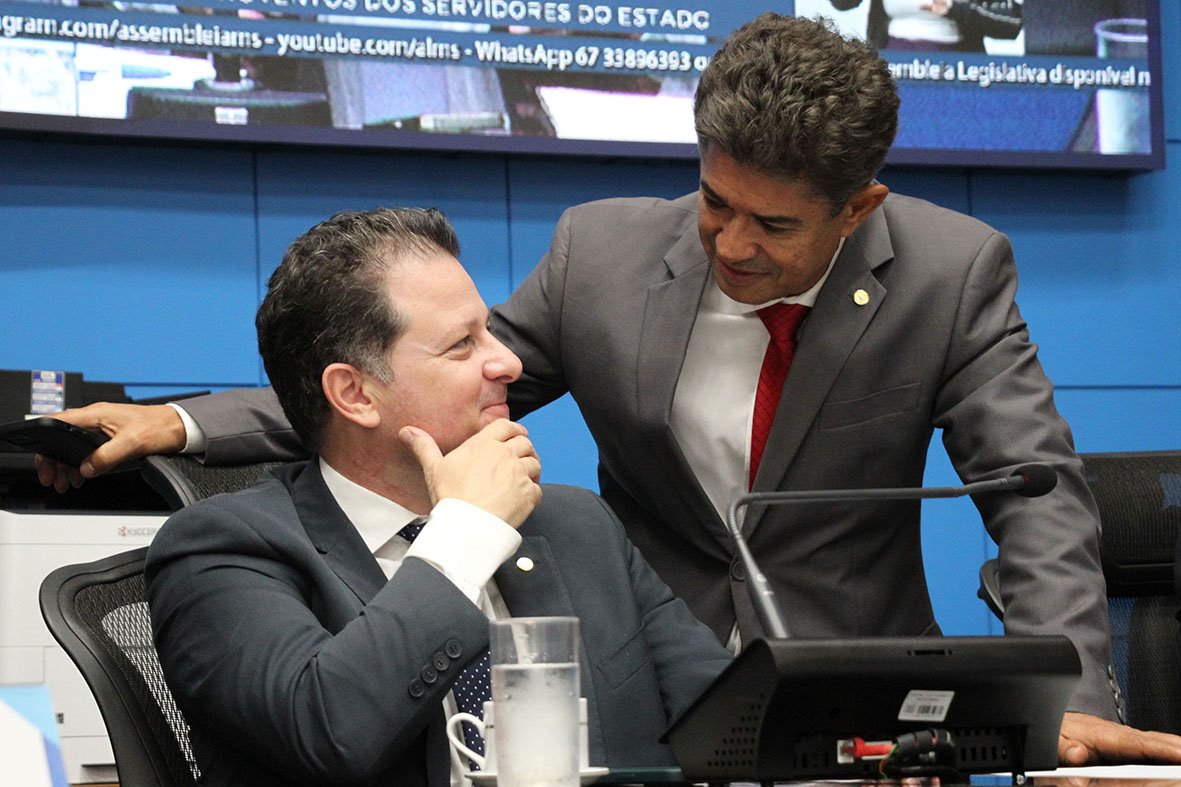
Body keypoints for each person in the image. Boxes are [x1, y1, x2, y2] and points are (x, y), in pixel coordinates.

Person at [40, 12, 1181, 765]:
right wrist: (179, 421)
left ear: (857, 208)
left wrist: (1071, 707)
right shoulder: (606, 257)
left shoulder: (950, 271)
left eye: (773, 224)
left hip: (842, 698)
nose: (730, 243)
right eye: (714, 201)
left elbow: (1034, 498)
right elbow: (408, 380)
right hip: (649, 667)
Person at [143, 207, 732, 786]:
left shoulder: (577, 526)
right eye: (461, 345)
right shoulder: (221, 551)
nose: (509, 362)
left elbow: (735, 725)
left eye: (490, 332)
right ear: (355, 394)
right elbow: (330, 731)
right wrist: (465, 531)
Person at [830, 0, 1022, 52]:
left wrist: (955, 8)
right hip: (892, 59)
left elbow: (1010, 24)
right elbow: (842, 3)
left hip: (956, 66)